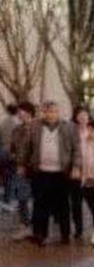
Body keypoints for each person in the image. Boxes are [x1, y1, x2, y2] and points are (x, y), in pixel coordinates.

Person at [17, 101, 81, 246]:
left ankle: (65, 235)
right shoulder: (34, 127)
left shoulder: (69, 127)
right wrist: (21, 164)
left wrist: (76, 167)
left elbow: (76, 149)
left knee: (63, 205)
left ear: (58, 112)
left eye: (54, 111)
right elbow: (25, 147)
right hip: (40, 172)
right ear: (43, 113)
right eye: (48, 112)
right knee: (40, 205)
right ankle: (41, 234)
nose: (51, 114)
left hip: (61, 173)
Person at [9, 102, 36, 241]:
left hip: (35, 169)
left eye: (23, 111)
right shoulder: (16, 130)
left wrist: (27, 164)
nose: (21, 114)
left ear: (30, 112)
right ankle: (25, 225)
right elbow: (12, 148)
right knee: (22, 198)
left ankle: (36, 227)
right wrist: (13, 157)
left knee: (38, 199)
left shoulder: (38, 128)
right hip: (19, 169)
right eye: (19, 112)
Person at [69, 106, 91, 240]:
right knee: (76, 202)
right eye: (80, 115)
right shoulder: (71, 131)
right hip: (76, 171)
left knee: (93, 200)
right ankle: (78, 228)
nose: (83, 118)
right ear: (75, 117)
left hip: (91, 172)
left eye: (85, 115)